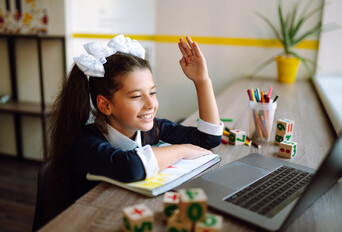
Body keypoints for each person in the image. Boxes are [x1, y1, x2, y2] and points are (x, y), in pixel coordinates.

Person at [48, 34, 223, 202]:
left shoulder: (152, 128)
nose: (151, 104)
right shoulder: (85, 142)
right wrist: (182, 150)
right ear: (105, 105)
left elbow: (208, 138)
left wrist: (202, 81)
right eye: (136, 96)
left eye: (152, 93)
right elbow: (132, 167)